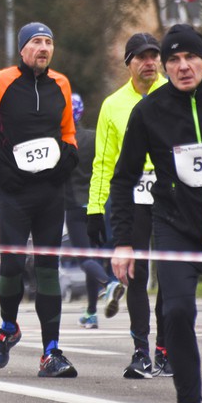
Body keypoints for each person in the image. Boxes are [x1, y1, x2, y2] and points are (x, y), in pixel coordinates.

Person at [110, 24, 202, 403]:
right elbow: (122, 178)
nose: (183, 67)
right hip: (175, 228)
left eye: (190, 58)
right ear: (165, 67)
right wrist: (123, 242)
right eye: (174, 61)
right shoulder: (148, 111)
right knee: (177, 310)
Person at [0, 22, 79, 378]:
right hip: (12, 191)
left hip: (49, 192)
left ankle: (51, 352)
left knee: (47, 269)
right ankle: (8, 326)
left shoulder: (62, 83)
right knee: (11, 267)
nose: (43, 48)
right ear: (23, 49)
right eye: (37, 42)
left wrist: (69, 159)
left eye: (48, 42)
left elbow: (68, 131)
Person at [86, 32, 171, 379]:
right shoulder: (113, 104)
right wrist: (94, 207)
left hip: (169, 193)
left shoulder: (174, 92)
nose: (149, 62)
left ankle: (165, 349)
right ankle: (141, 352)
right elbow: (104, 162)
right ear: (129, 64)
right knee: (134, 272)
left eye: (154, 56)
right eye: (142, 57)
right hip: (133, 194)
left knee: (170, 272)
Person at [64, 93, 115, 330]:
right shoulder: (94, 137)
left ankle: (108, 283)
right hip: (97, 205)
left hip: (74, 206)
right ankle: (91, 313)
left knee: (84, 259)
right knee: (93, 258)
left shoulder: (61, 141)